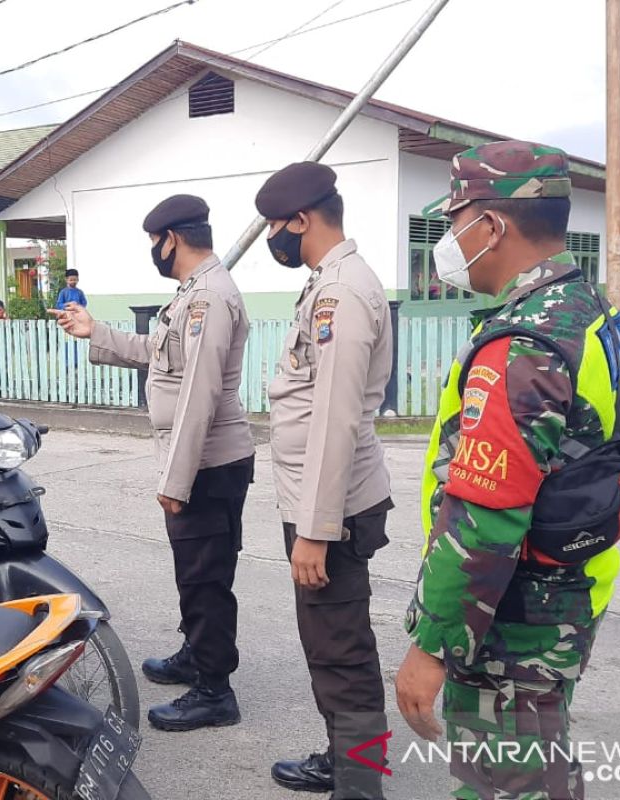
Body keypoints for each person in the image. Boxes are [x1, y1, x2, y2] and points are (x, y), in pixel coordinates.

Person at [395, 141, 620, 800]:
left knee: (503, 780)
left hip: (515, 617)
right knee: (538, 763)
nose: (449, 239)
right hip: (570, 591)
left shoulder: (523, 343)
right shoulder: (589, 309)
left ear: (491, 226)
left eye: (454, 222)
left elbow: (483, 517)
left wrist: (432, 646)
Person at [54, 195, 254, 732]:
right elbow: (157, 352)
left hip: (207, 464)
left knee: (206, 576)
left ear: (173, 239)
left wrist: (177, 479)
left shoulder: (209, 296)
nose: (155, 252)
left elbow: (199, 393)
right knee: (194, 572)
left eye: (154, 243)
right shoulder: (192, 292)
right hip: (200, 461)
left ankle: (215, 689)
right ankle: (197, 654)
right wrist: (94, 331)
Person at [253, 162, 393, 799]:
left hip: (329, 507)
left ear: (302, 221)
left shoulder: (342, 291)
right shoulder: (326, 284)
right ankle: (346, 760)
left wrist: (315, 531)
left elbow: (337, 418)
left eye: (276, 227)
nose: (272, 238)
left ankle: (361, 785)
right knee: (326, 642)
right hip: (316, 500)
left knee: (342, 651)